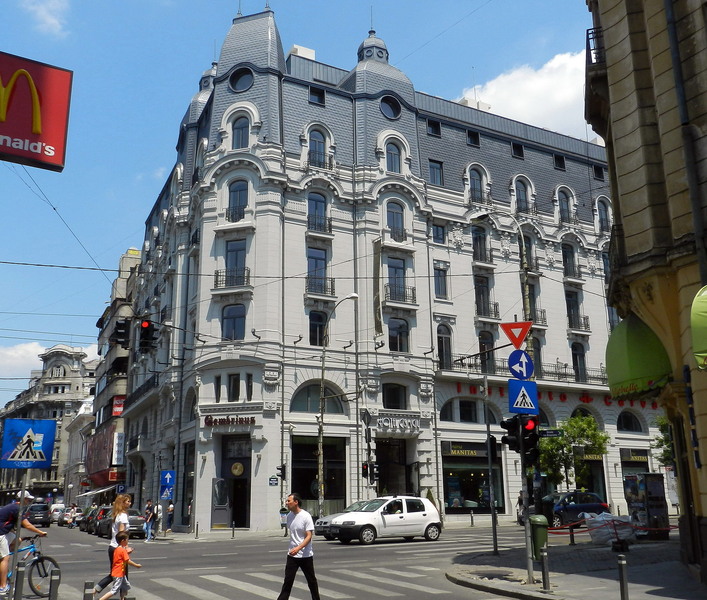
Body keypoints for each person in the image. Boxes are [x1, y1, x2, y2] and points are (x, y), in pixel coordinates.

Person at [0, 491, 47, 594]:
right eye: (28, 499)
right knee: (5, 558)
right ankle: (3, 587)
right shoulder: (17, 509)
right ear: (23, 499)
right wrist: (40, 532)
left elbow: (9, 524)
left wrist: (19, 537)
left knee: (18, 540)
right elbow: (27, 525)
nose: (28, 501)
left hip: (4, 532)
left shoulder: (13, 507)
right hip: (1, 534)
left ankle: (4, 562)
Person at [276, 493, 320, 600]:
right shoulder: (289, 516)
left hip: (305, 555)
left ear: (296, 502)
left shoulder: (306, 516)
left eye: (289, 501)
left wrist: (298, 548)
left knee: (311, 581)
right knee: (288, 581)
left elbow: (309, 536)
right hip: (292, 555)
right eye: (286, 501)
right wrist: (294, 549)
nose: (286, 503)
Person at [94, 494, 132, 597]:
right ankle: (96, 591)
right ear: (122, 503)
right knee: (121, 573)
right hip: (118, 548)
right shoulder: (123, 516)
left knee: (117, 573)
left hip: (113, 547)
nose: (130, 503)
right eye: (128, 501)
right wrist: (125, 548)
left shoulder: (117, 514)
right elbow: (121, 534)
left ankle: (96, 590)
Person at [97, 532, 141, 600]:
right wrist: (136, 565)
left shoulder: (117, 549)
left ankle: (122, 598)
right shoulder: (123, 550)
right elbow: (127, 561)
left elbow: (121, 557)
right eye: (127, 540)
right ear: (123, 541)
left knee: (125, 586)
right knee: (114, 591)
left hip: (119, 572)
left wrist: (127, 552)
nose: (128, 542)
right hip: (118, 573)